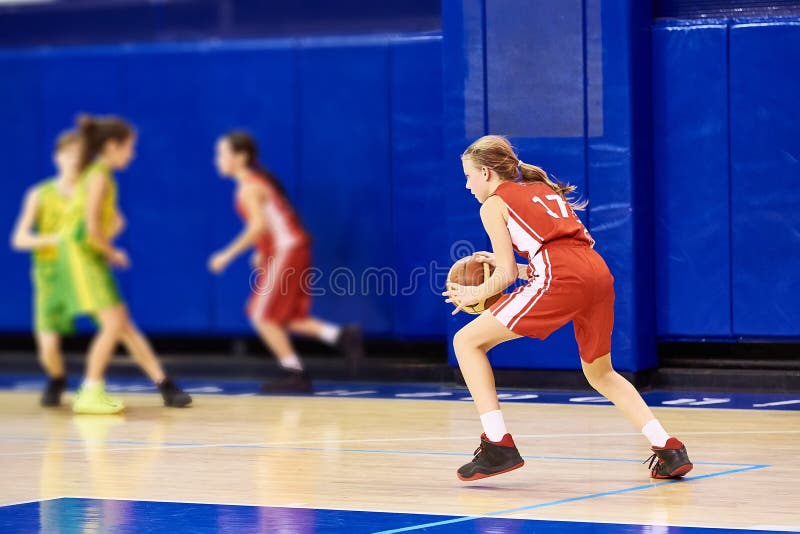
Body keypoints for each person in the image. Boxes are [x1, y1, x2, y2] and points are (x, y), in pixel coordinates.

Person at [443, 135, 692, 481]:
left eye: (468, 176)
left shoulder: (493, 205)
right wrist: (515, 268)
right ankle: (668, 448)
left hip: (562, 276)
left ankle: (498, 443)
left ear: (486, 173)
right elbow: (554, 257)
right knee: (600, 373)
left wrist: (474, 295)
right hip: (596, 272)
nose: (467, 185)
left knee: (466, 342)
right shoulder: (540, 189)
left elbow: (507, 275)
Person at [11, 129, 192, 410]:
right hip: (50, 276)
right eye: (67, 153)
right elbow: (19, 238)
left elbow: (116, 222)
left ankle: (163, 383)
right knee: (49, 348)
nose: (73, 159)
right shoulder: (41, 193)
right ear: (56, 157)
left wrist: (99, 246)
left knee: (121, 325)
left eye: (77, 153)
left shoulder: (90, 182)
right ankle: (58, 378)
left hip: (79, 266)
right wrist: (59, 240)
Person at [209, 130, 364, 393]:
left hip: (287, 250)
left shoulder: (249, 187)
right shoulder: (257, 182)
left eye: (222, 153)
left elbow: (258, 226)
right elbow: (273, 221)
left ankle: (295, 372)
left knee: (261, 315)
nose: (218, 159)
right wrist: (262, 251)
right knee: (284, 316)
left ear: (241, 157)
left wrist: (227, 254)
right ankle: (340, 336)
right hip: (289, 248)